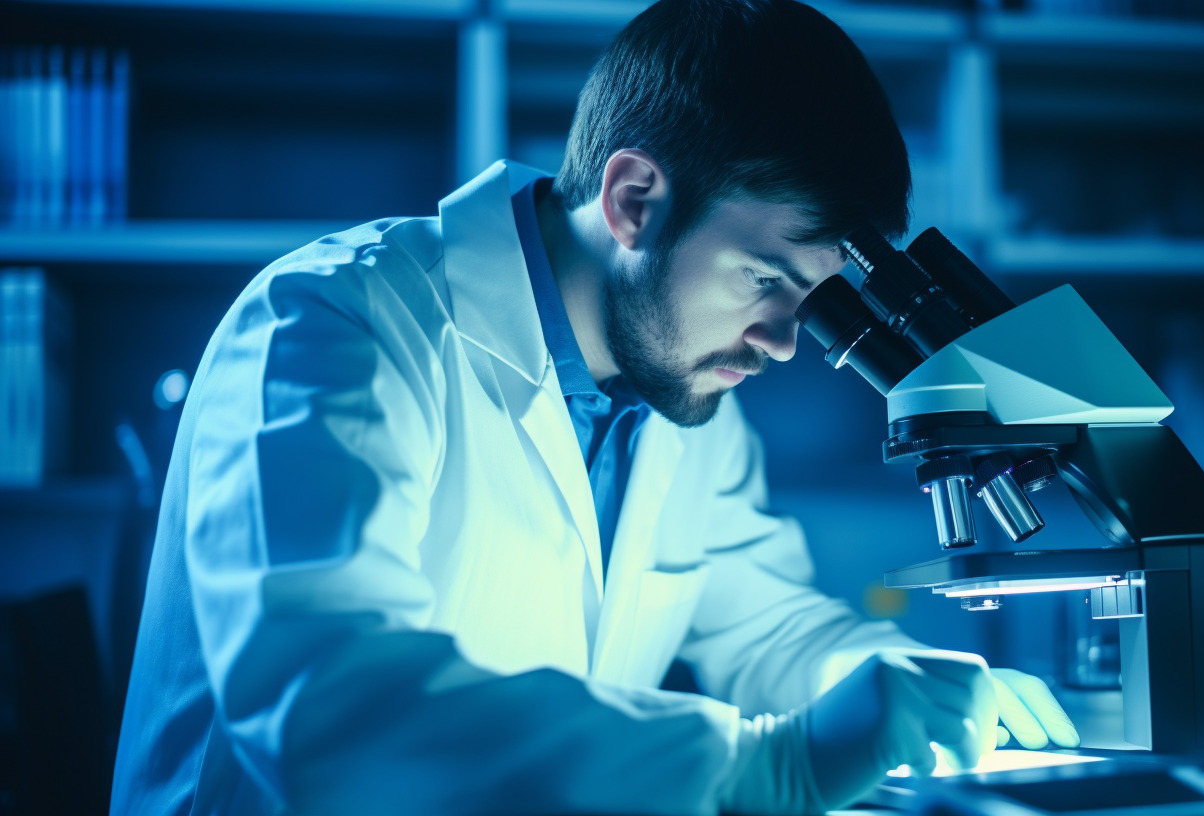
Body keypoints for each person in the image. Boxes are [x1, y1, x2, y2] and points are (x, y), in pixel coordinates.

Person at [109, 1, 1079, 814]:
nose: (786, 343)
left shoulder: (689, 401)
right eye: (763, 279)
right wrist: (770, 768)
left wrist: (915, 687)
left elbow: (762, 625)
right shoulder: (335, 321)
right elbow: (327, 710)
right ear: (633, 200)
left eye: (810, 300)